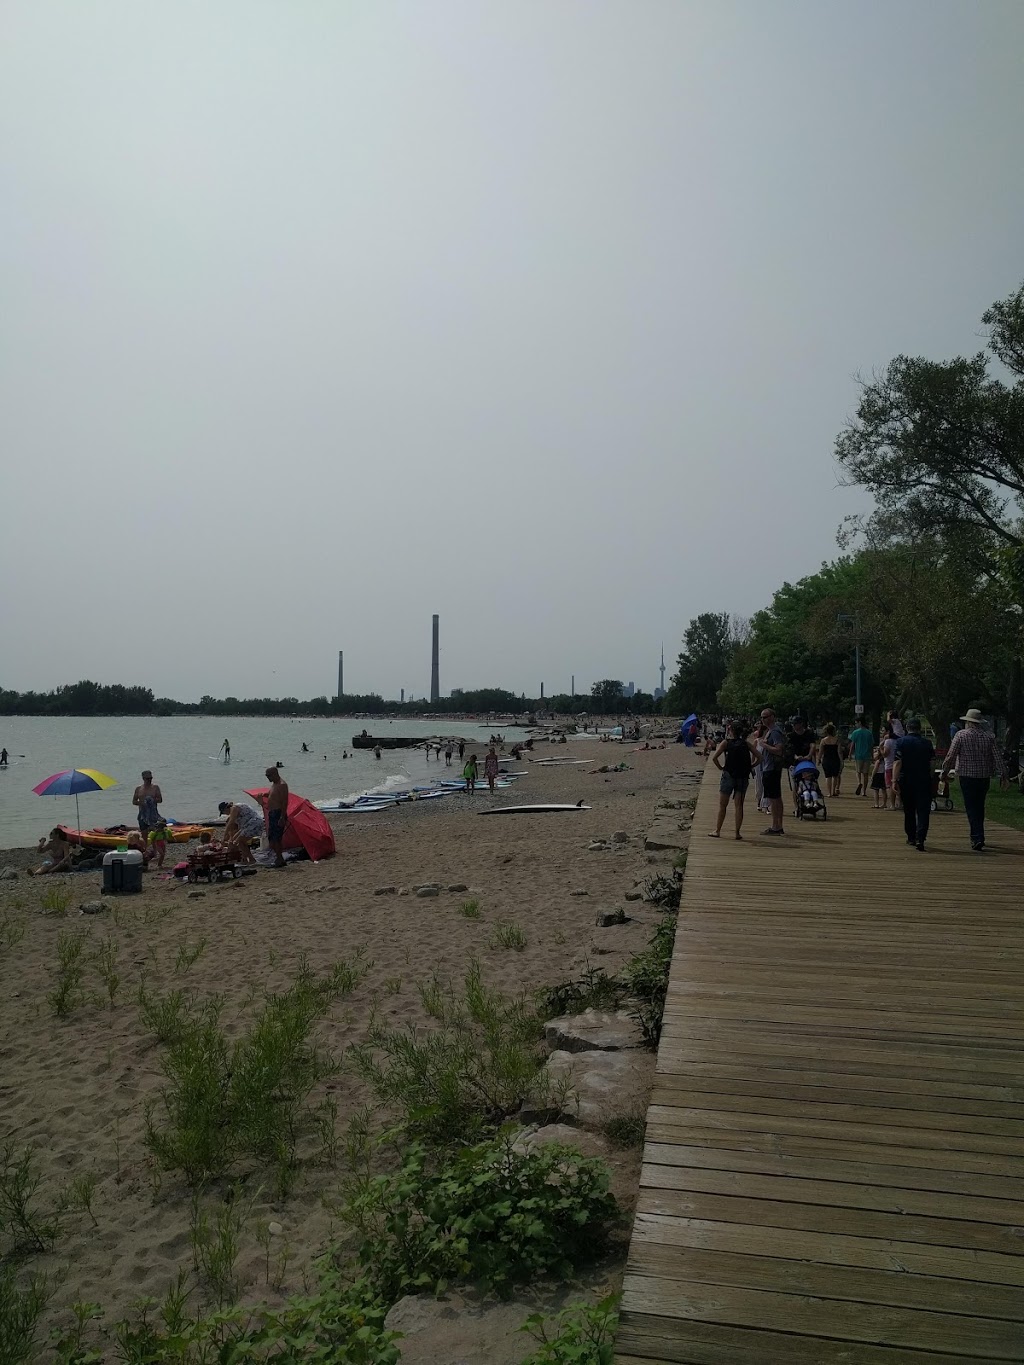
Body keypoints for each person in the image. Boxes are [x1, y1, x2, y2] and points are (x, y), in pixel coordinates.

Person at [940, 708, 1008, 851]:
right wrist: (1004, 774)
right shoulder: (989, 737)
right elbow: (997, 757)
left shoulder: (960, 735)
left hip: (967, 776)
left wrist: (944, 772)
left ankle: (977, 837)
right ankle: (979, 834)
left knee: (971, 807)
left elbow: (951, 756)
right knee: (979, 805)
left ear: (968, 722)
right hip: (983, 776)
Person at [710, 722, 759, 839]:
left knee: (723, 805)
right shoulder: (746, 744)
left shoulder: (726, 743)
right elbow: (760, 757)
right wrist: (751, 765)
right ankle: (737, 833)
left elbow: (714, 758)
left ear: (730, 730)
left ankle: (717, 830)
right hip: (742, 777)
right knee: (739, 806)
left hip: (728, 775)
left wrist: (721, 767)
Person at [892, 718, 935, 851]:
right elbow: (932, 763)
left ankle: (911, 836)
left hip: (906, 780)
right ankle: (920, 837)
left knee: (909, 809)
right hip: (923, 779)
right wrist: (931, 776)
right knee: (923, 810)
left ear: (907, 728)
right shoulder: (927, 743)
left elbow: (898, 762)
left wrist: (894, 780)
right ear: (920, 729)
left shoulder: (901, 742)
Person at [758, 707, 786, 835]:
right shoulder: (770, 731)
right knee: (776, 797)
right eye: (762, 717)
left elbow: (779, 750)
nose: (763, 720)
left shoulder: (775, 732)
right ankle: (778, 825)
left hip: (772, 768)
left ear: (772, 717)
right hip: (769, 767)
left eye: (765, 717)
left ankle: (775, 826)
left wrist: (764, 745)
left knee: (774, 798)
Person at [264, 766, 290, 868]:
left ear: (275, 773)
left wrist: (282, 817)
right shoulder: (274, 784)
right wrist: (264, 795)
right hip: (272, 813)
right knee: (271, 838)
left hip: (278, 814)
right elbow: (273, 796)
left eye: (269, 775)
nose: (268, 778)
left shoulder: (282, 785)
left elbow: (284, 802)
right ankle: (279, 858)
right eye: (266, 776)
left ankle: (279, 859)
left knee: (276, 839)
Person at [132, 770, 163, 840]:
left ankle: (155, 849)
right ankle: (145, 849)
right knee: (144, 833)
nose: (149, 780)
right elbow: (134, 801)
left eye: (150, 778)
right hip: (142, 814)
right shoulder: (138, 788)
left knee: (154, 833)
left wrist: (151, 800)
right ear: (143, 778)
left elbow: (160, 800)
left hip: (153, 814)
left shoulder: (155, 787)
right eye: (147, 779)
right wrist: (142, 803)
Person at [848, 719, 875, 796]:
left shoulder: (855, 732)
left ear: (860, 723)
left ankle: (859, 782)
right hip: (867, 755)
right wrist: (872, 756)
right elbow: (871, 746)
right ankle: (864, 792)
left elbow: (852, 744)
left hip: (858, 755)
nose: (856, 724)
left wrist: (850, 754)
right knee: (865, 774)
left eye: (856, 723)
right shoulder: (869, 733)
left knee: (858, 771)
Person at [817, 722, 844, 797]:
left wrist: (818, 759)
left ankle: (829, 793)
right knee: (835, 776)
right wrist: (841, 761)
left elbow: (820, 752)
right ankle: (833, 791)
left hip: (826, 760)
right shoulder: (837, 740)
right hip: (835, 760)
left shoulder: (823, 740)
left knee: (828, 776)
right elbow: (839, 752)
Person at [881, 726, 899, 809]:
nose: (882, 732)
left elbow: (885, 754)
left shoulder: (888, 741)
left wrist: (880, 748)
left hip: (889, 765)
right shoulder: (898, 741)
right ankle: (899, 803)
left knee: (890, 786)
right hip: (898, 765)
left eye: (883, 730)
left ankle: (892, 805)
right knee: (897, 785)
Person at [869, 742, 887, 808]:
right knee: (884, 790)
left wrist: (872, 776)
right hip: (883, 775)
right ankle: (884, 803)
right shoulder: (885, 761)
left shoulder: (878, 761)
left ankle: (876, 804)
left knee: (876, 790)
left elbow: (875, 769)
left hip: (877, 775)